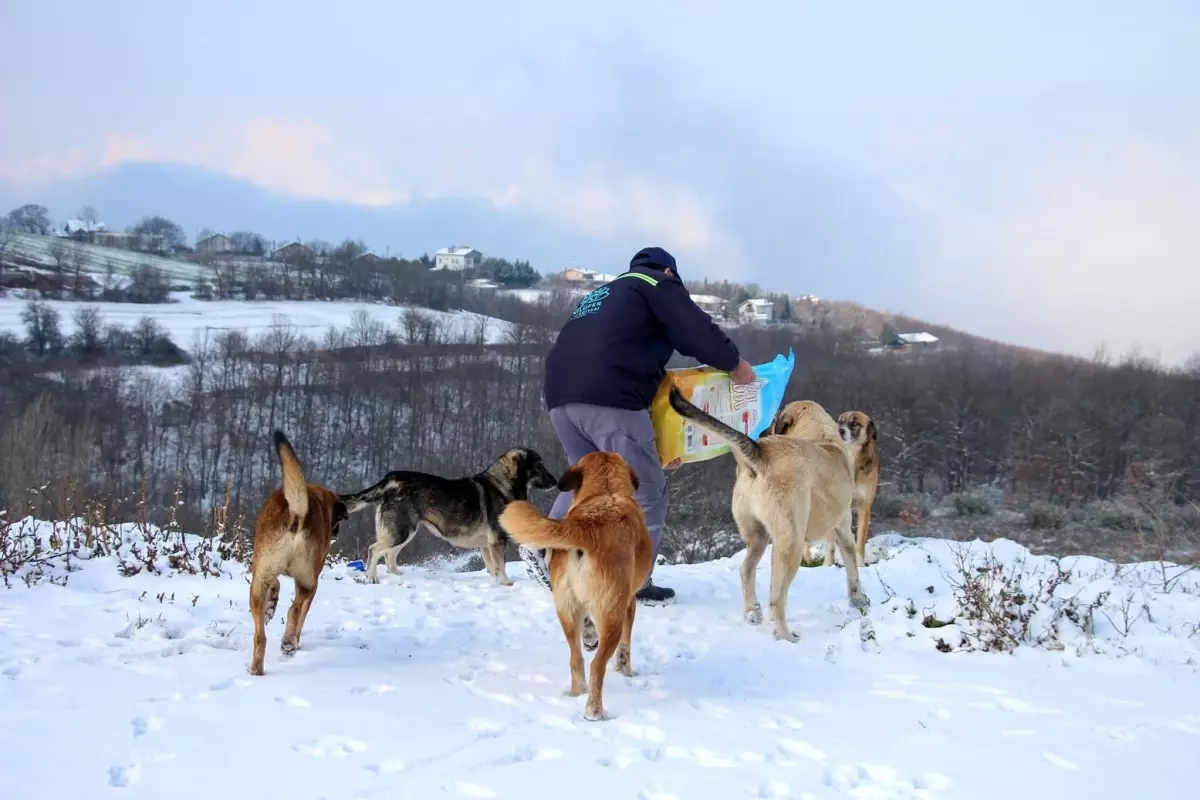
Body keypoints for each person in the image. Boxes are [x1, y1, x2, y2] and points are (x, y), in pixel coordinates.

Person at [519, 246, 756, 605]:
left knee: (587, 480)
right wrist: (735, 364)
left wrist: (656, 448)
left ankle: (542, 547)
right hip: (610, 394)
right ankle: (636, 579)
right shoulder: (656, 282)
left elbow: (622, 356)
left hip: (561, 396)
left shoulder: (606, 293)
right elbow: (695, 329)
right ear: (668, 271)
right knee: (650, 492)